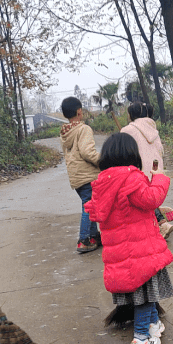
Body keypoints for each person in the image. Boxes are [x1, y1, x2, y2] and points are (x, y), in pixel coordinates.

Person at [85, 132, 173, 344]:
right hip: (140, 252)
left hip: (121, 255)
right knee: (145, 297)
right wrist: (160, 178)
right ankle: (141, 339)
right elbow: (151, 200)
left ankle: (154, 325)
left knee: (146, 294)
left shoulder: (102, 183)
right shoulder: (130, 178)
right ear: (131, 154)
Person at [121, 101, 173, 239]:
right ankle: (159, 222)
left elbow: (123, 153)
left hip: (138, 171)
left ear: (132, 114)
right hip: (155, 169)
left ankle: (162, 223)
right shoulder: (153, 129)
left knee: (142, 200)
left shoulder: (128, 130)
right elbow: (161, 150)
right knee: (149, 198)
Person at [60, 96, 102, 253]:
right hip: (87, 175)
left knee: (89, 204)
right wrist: (103, 161)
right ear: (79, 111)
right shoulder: (83, 129)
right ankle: (83, 239)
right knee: (88, 206)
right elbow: (87, 152)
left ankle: (93, 236)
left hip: (76, 176)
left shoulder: (65, 132)